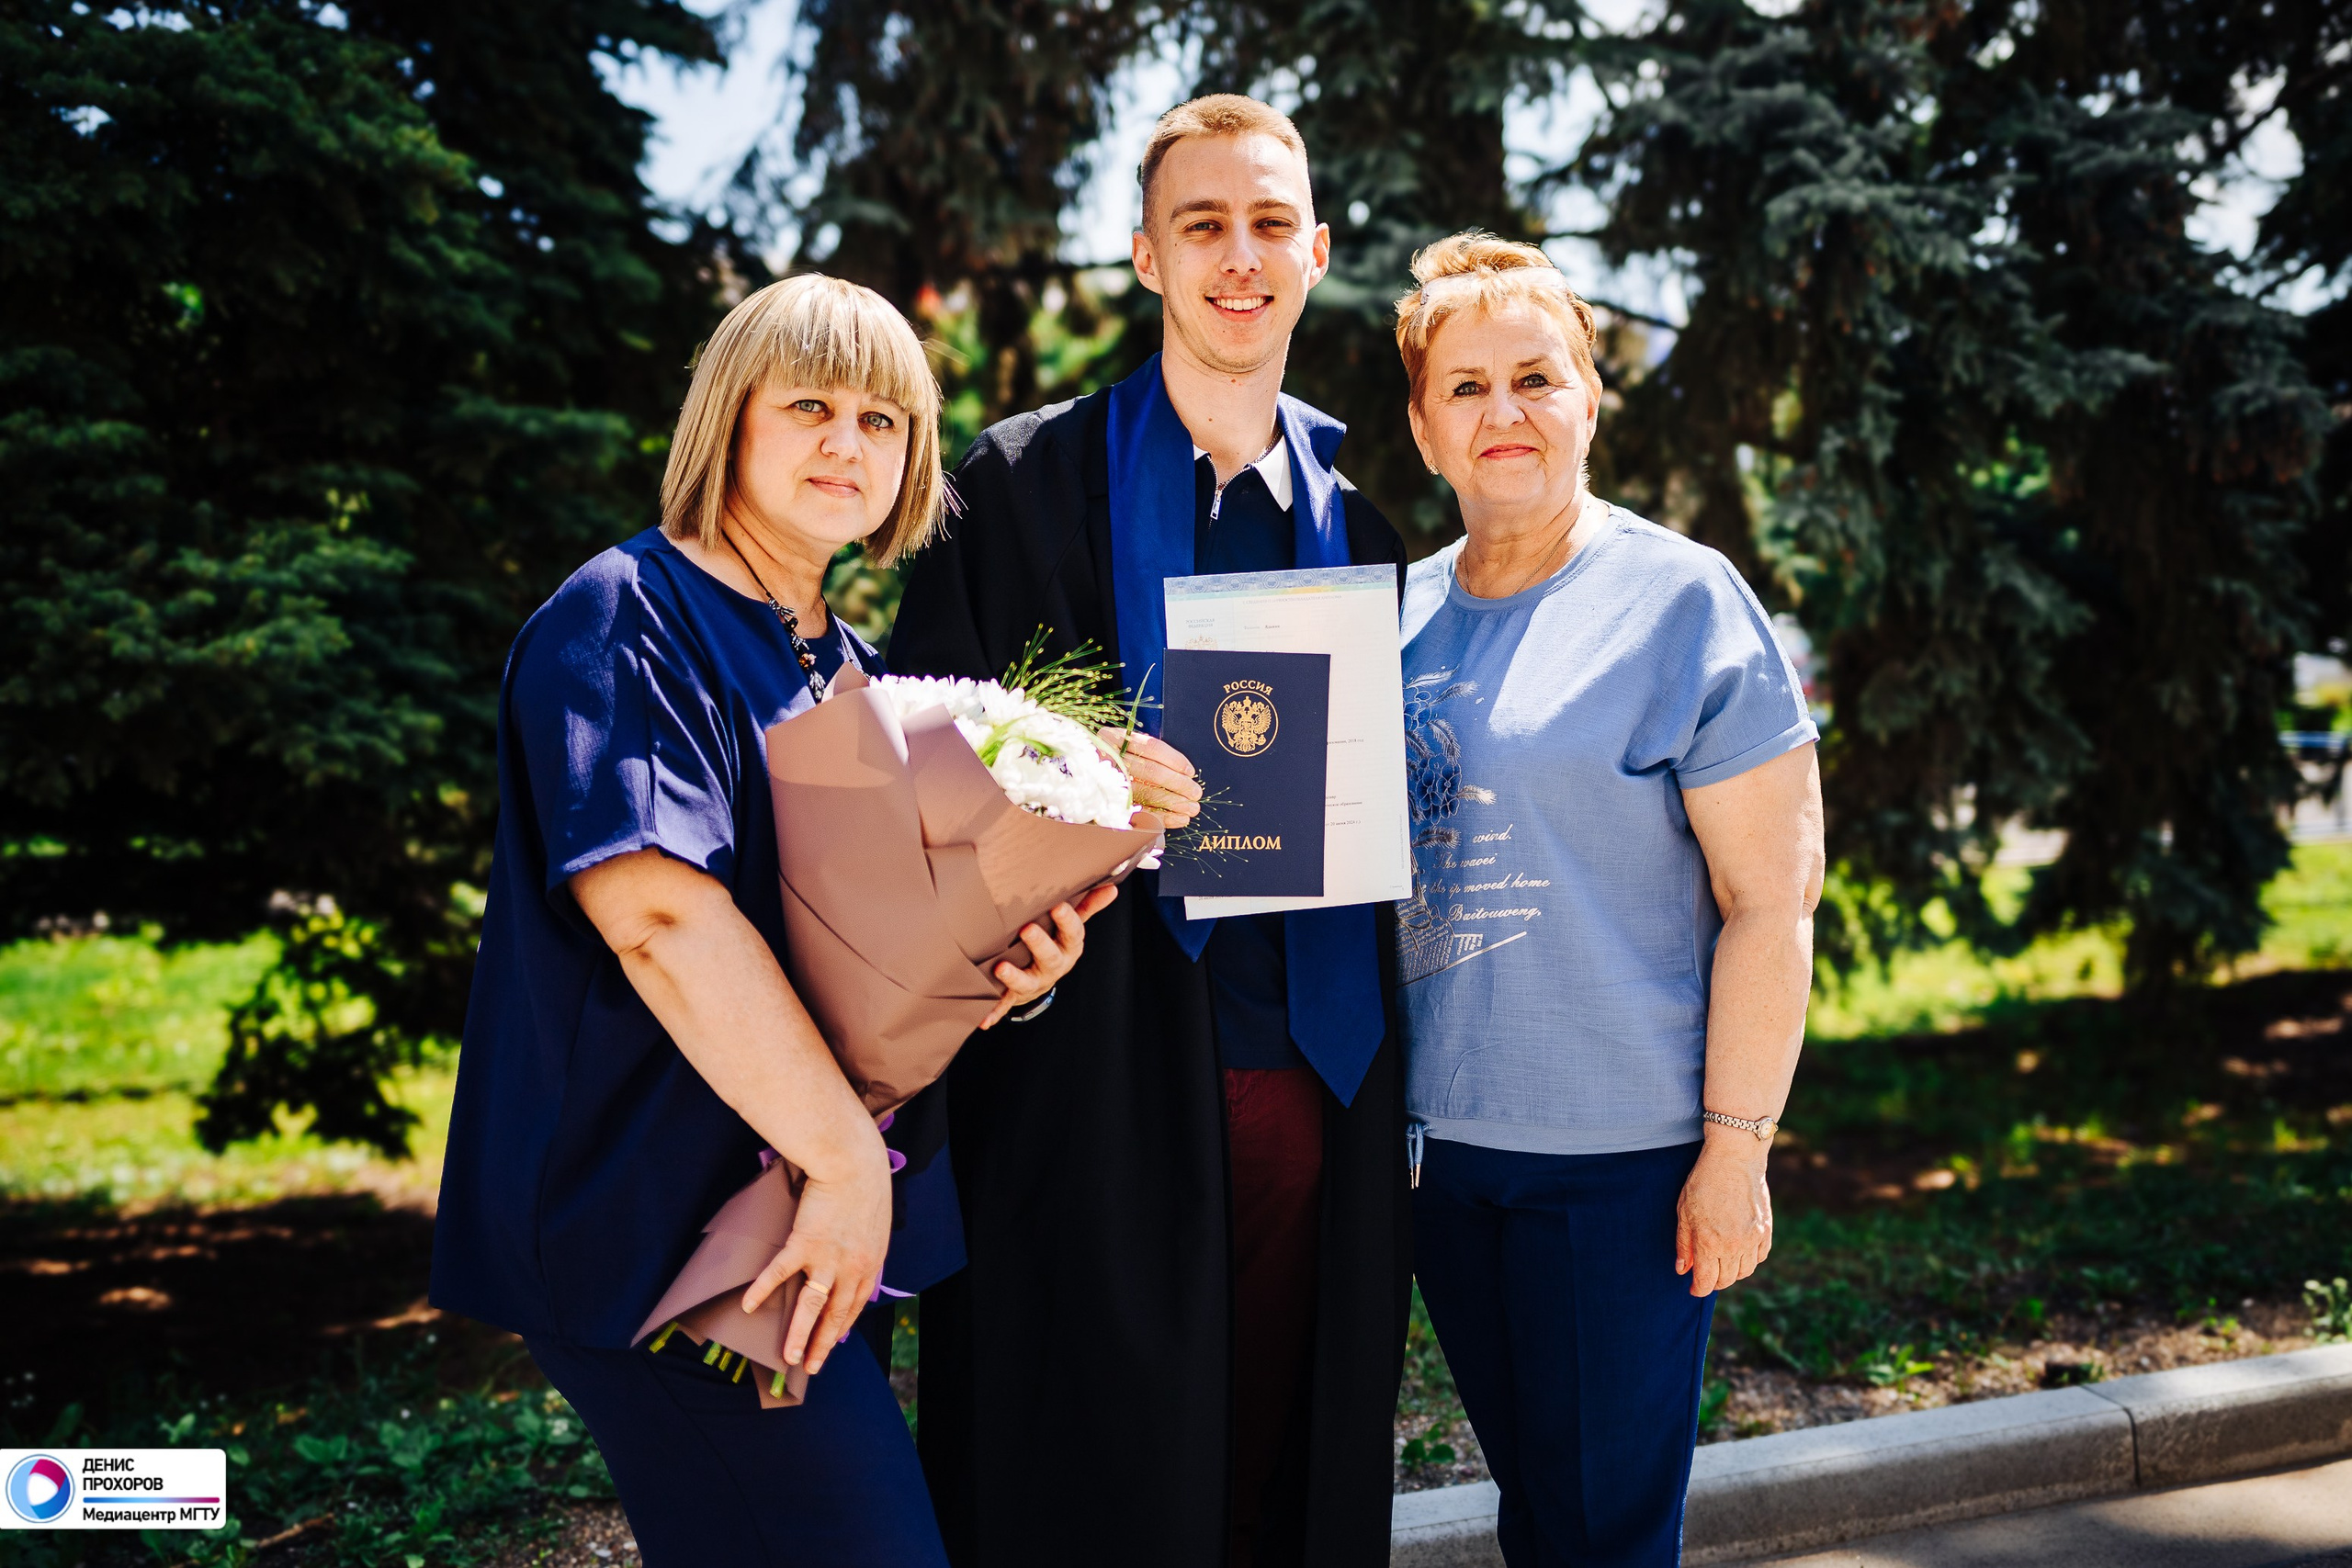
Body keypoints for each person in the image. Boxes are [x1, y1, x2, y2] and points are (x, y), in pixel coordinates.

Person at [429, 275, 1116, 1568]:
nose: (847, 445)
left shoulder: (846, 664)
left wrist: (1005, 964)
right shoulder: (626, 618)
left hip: (807, 1217)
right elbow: (659, 918)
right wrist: (851, 1170)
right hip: (660, 1230)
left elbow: (861, 949)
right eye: (809, 405)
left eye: (882, 419)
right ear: (728, 422)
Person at [888, 95, 1411, 1568]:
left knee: (1278, 1471)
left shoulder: (1359, 522)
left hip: (1317, 1076)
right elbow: (908, 761)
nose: (1237, 260)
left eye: (1266, 227)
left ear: (1314, 254)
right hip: (1086, 1079)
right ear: (1145, 255)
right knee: (1089, 1478)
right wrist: (1061, 773)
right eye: (1202, 226)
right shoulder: (1018, 486)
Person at [1390, 233, 1826, 1567]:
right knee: (1546, 1509)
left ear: (1589, 398)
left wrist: (1737, 1147)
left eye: (1536, 376)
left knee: (1598, 1533)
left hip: (1622, 1175)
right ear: (1423, 430)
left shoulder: (1682, 600)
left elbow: (1772, 900)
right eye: (1464, 388)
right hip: (1432, 1165)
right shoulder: (1388, 619)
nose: (1502, 412)